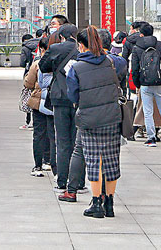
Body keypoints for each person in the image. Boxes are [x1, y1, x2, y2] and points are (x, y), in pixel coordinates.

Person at [66, 26, 128, 219]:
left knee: (94, 161)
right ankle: (109, 203)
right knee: (111, 160)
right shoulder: (112, 62)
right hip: (112, 117)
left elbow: (73, 95)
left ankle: (96, 203)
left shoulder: (76, 68)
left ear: (81, 45)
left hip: (89, 119)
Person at [39, 23, 87, 201]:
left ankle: (62, 180)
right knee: (78, 142)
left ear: (61, 36)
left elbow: (43, 67)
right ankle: (79, 182)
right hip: (77, 99)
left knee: (62, 141)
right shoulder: (81, 49)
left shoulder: (55, 49)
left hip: (59, 98)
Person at [130, 23, 161, 147]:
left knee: (148, 112)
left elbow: (135, 68)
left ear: (141, 34)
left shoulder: (137, 48)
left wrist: (138, 84)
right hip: (160, 83)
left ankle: (151, 138)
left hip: (145, 84)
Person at [25, 35, 56, 177]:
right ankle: (49, 161)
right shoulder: (59, 62)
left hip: (38, 103)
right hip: (53, 103)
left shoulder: (37, 64)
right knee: (52, 133)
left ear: (42, 49)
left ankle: (37, 165)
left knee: (38, 134)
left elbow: (28, 83)